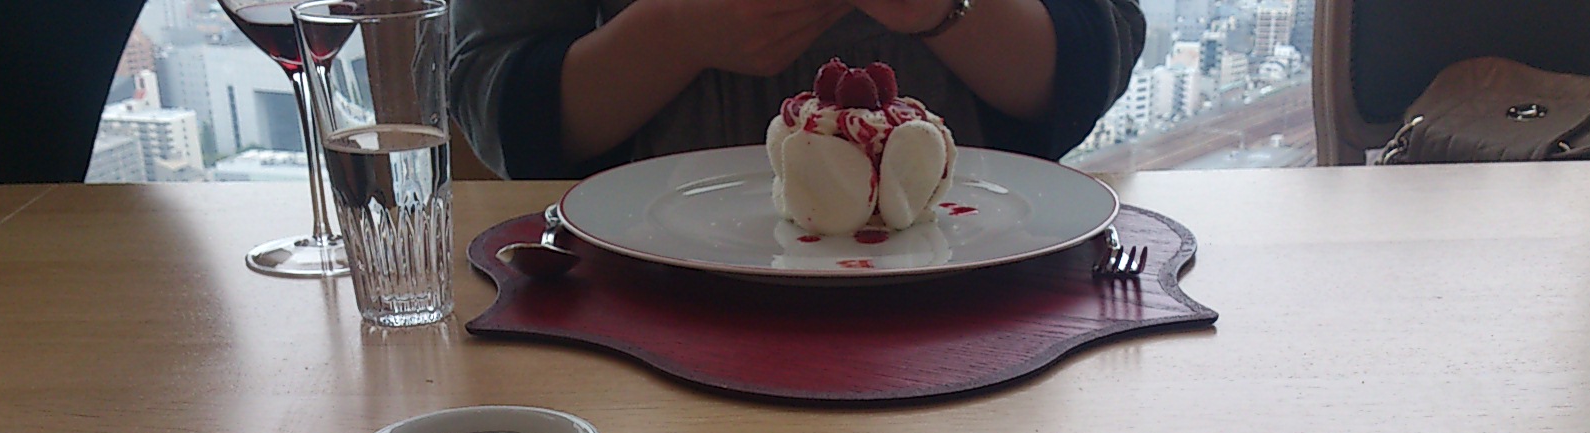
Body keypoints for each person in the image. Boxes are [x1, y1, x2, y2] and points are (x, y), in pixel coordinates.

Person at [450, 0, 1144, 178]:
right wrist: (678, 32)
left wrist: (943, 9)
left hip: (973, 294)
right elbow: (498, 102)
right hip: (656, 306)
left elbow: (1097, 54)